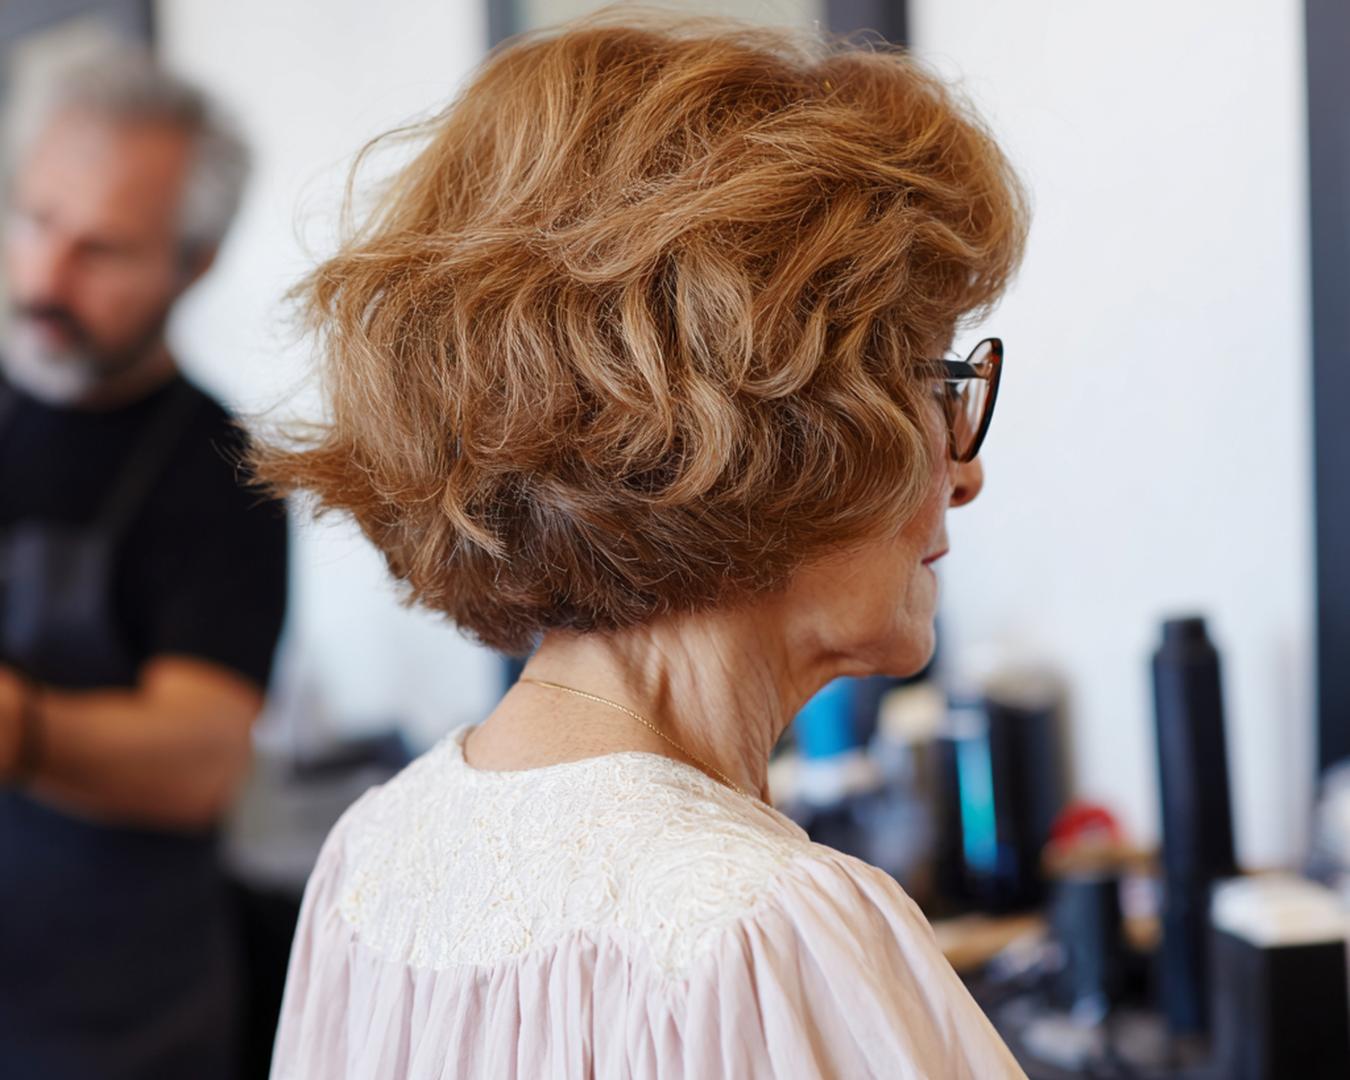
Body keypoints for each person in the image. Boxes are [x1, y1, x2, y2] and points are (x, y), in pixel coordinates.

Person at [265, 15, 1027, 1078]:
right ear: (784, 427)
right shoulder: (763, 926)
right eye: (934, 386)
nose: (965, 472)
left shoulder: (368, 869)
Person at [0, 54, 288, 1080]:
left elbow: (200, 761)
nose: (46, 279)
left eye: (102, 249)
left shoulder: (220, 474)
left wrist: (21, 729)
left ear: (193, 262)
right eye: (35, 221)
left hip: (113, 1024)